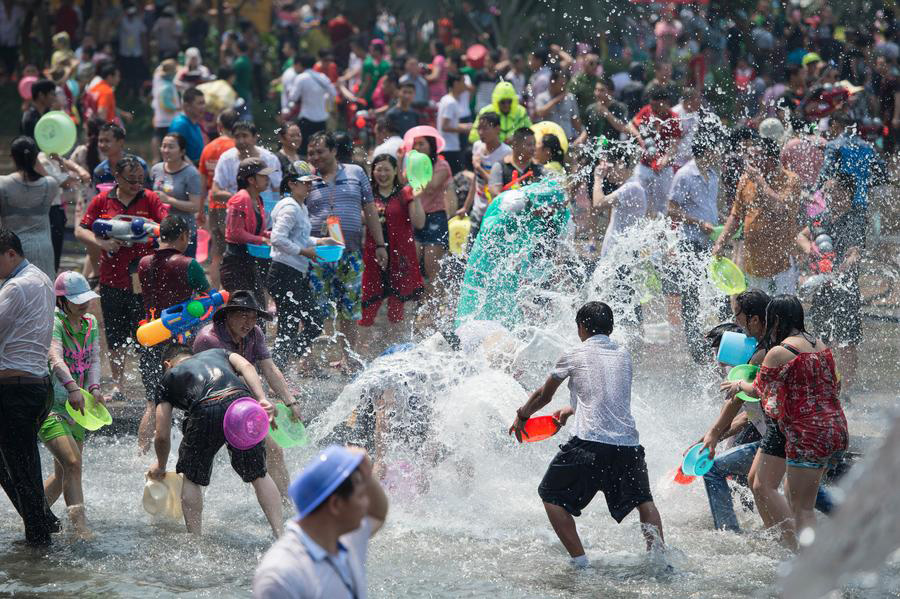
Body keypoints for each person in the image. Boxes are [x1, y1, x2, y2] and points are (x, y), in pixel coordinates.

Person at [509, 302, 664, 567]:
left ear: (581, 327)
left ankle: (580, 563)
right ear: (610, 328)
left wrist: (522, 415)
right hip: (628, 446)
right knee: (644, 501)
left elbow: (543, 396)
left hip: (589, 444)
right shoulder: (624, 354)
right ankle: (659, 558)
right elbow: (604, 396)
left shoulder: (573, 354)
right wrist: (570, 411)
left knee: (550, 494)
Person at [719, 295, 848, 550]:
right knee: (788, 493)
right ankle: (794, 550)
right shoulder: (819, 344)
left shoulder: (779, 352)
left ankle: (806, 560)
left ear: (775, 319)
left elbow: (758, 390)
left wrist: (737, 385)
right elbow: (837, 384)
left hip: (807, 436)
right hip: (834, 430)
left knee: (803, 508)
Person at [148, 344, 283, 537]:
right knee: (259, 474)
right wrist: (262, 398)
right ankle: (280, 534)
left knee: (191, 477)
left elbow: (161, 434)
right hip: (242, 402)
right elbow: (247, 367)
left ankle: (195, 540)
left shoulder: (168, 378)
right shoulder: (219, 352)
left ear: (167, 364)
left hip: (205, 408)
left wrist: (161, 465)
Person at [192, 290, 303, 500]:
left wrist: (290, 401)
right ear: (227, 315)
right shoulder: (209, 339)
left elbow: (269, 368)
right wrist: (263, 404)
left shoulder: (255, 334)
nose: (249, 322)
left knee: (274, 452)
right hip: (209, 407)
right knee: (197, 467)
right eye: (243, 316)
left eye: (253, 317)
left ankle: (287, 504)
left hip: (243, 405)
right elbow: (232, 379)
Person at [76, 154, 169, 397]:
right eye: (131, 180)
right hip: (111, 278)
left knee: (146, 331)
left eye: (141, 180)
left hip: (143, 280)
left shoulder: (150, 199)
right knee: (115, 335)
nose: (137, 185)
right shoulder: (101, 200)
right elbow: (81, 229)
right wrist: (102, 243)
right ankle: (118, 385)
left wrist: (149, 232)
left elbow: (167, 228)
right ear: (117, 178)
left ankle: (151, 382)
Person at [253, 445, 389, 598]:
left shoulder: (345, 539)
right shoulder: (281, 575)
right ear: (336, 504)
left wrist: (366, 473)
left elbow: (377, 514)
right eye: (361, 496)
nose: (366, 504)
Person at [306, 131, 387, 370]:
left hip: (350, 253)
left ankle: (348, 358)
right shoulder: (306, 178)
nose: (316, 157)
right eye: (312, 153)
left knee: (349, 309)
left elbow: (370, 209)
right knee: (316, 309)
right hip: (317, 254)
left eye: (321, 152)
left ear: (333, 151)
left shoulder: (355, 172)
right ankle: (310, 359)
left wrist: (380, 244)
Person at [0, 228, 58, 547]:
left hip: (16, 391)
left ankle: (40, 552)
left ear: (11, 253)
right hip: (35, 386)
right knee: (16, 467)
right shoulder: (41, 278)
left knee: (23, 474)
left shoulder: (16, 287)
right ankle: (43, 520)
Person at [136, 215, 210, 452]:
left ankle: (141, 454)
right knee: (191, 402)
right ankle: (190, 453)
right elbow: (210, 299)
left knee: (152, 402)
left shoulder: (144, 263)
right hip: (179, 344)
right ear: (184, 236)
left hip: (149, 335)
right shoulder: (189, 264)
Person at [42, 271, 104, 540]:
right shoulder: (54, 323)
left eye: (85, 298)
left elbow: (94, 360)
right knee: (73, 462)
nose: (84, 304)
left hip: (78, 408)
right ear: (62, 301)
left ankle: (33, 513)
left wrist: (94, 388)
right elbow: (55, 358)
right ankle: (79, 528)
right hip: (52, 406)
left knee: (62, 473)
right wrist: (71, 388)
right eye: (76, 299)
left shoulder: (90, 323)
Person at [801, 172, 865, 397]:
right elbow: (801, 235)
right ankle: (826, 387)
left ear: (847, 193)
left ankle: (845, 390)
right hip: (823, 289)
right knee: (821, 341)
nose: (830, 196)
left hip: (846, 290)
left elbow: (855, 251)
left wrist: (845, 266)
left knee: (847, 343)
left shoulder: (855, 219)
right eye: (827, 192)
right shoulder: (822, 218)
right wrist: (811, 251)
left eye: (836, 191)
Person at [712, 138, 803, 295]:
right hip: (753, 265)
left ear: (771, 160)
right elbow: (735, 216)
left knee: (781, 313)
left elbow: (779, 208)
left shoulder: (791, 180)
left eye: (755, 157)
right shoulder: (746, 180)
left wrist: (760, 182)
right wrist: (720, 242)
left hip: (781, 266)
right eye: (750, 157)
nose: (751, 162)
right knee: (756, 315)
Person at [267, 162, 334, 369]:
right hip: (284, 273)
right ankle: (278, 368)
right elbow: (277, 238)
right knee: (301, 324)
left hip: (294, 273)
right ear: (292, 184)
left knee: (298, 324)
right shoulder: (290, 207)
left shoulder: (300, 206)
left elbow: (299, 238)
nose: (309, 187)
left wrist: (320, 242)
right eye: (305, 183)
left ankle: (279, 366)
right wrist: (305, 252)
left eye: (310, 183)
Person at [359, 154, 425, 345]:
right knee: (368, 305)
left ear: (396, 171)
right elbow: (362, 219)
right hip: (374, 257)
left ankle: (396, 349)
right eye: (378, 169)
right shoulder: (369, 194)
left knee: (397, 307)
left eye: (387, 169)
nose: (382, 173)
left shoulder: (405, 193)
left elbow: (419, 223)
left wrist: (417, 197)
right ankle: (359, 354)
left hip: (400, 258)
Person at [406, 131, 452, 317]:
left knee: (432, 267)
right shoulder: (411, 165)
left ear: (431, 146)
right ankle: (419, 307)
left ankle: (433, 308)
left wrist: (418, 169)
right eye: (415, 144)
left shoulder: (442, 165)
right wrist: (405, 160)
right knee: (414, 266)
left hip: (435, 218)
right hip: (417, 217)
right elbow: (403, 184)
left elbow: (432, 186)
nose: (417, 148)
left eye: (422, 144)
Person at [0, 136, 60, 279]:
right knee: (43, 293)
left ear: (12, 158)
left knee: (16, 296)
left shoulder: (2, 185)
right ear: (35, 158)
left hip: (13, 253)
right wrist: (36, 161)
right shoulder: (50, 185)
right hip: (43, 250)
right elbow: (48, 176)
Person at [221, 157, 274, 307]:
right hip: (235, 264)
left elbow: (258, 231)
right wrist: (262, 240)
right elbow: (235, 233)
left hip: (250, 262)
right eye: (263, 176)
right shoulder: (240, 199)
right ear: (251, 180)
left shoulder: (258, 199)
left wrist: (272, 236)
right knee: (242, 310)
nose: (267, 179)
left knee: (259, 309)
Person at [627, 86, 682, 218]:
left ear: (666, 103)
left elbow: (675, 144)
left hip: (664, 168)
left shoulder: (674, 118)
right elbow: (631, 125)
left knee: (662, 205)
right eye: (652, 105)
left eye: (657, 106)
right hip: (644, 165)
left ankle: (659, 234)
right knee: (638, 198)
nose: (654, 109)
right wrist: (639, 138)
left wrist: (666, 158)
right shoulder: (647, 111)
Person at [198, 109, 238, 286]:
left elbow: (202, 184)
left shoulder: (208, 148)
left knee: (216, 254)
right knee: (236, 254)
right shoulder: (236, 148)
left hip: (214, 206)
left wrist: (200, 210)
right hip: (233, 207)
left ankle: (215, 296)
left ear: (219, 126)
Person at [458, 112, 511, 242]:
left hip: (494, 212)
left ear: (497, 129)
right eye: (479, 128)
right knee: (469, 251)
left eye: (485, 128)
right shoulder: (477, 147)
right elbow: (476, 180)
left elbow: (498, 187)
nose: (481, 132)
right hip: (477, 210)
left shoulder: (506, 153)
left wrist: (479, 168)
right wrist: (466, 206)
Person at [150, 132, 203, 257]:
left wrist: (169, 200)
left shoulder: (191, 174)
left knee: (183, 273)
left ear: (182, 151)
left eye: (171, 147)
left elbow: (195, 206)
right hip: (159, 230)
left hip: (183, 233)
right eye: (163, 146)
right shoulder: (156, 169)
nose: (166, 150)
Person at [289, 54, 337, 157]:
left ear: (301, 64)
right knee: (319, 149)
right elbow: (334, 93)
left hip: (306, 118)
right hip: (321, 118)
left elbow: (293, 97)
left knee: (303, 150)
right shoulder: (322, 77)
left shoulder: (301, 78)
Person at [468, 81, 532, 143]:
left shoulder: (521, 112)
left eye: (509, 101)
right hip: (492, 150)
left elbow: (530, 132)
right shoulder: (485, 112)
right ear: (496, 101)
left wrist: (516, 138)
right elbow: (473, 137)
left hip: (515, 150)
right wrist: (494, 139)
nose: (506, 105)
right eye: (502, 102)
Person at [575, 76, 629, 146]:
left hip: (614, 150)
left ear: (611, 93)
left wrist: (607, 113)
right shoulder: (590, 109)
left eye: (602, 90)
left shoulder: (620, 108)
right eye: (596, 90)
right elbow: (588, 130)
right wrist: (581, 139)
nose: (597, 93)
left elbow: (624, 128)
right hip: (595, 150)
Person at [489, 127, 544, 194]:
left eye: (534, 144)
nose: (533, 148)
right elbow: (495, 195)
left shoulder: (538, 168)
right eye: (529, 145)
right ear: (515, 144)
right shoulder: (500, 167)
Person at [534, 67, 583, 142]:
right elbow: (540, 113)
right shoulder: (542, 97)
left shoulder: (570, 97)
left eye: (564, 85)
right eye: (561, 85)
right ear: (552, 83)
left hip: (567, 139)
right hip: (549, 140)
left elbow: (575, 120)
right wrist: (556, 100)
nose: (563, 88)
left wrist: (581, 135)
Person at [92, 123, 149, 187]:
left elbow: (147, 192)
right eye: (100, 141)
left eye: (107, 141)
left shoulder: (139, 165)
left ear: (120, 142)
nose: (102, 145)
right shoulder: (100, 171)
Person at [437, 73, 470, 173]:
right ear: (456, 83)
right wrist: (464, 129)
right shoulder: (451, 102)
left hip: (448, 146)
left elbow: (451, 124)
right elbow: (445, 126)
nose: (465, 85)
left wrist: (467, 126)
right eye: (463, 82)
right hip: (450, 148)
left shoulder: (446, 99)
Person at [151, 59, 181, 164]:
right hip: (167, 120)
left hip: (160, 118)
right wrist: (178, 108)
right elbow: (165, 104)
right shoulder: (166, 86)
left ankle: (158, 159)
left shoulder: (159, 79)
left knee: (158, 138)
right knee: (168, 143)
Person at [168, 87, 207, 164]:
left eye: (204, 103)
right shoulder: (180, 124)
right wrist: (194, 171)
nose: (203, 107)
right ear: (187, 106)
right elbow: (175, 154)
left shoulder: (194, 122)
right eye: (200, 103)